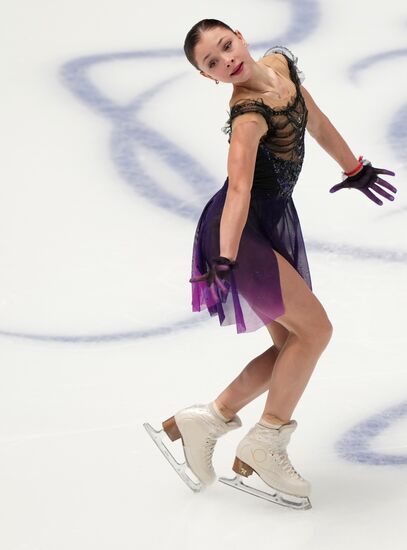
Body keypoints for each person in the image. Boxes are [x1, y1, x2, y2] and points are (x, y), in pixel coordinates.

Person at [143, 19, 397, 510]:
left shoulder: (280, 67)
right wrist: (226, 255)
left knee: (291, 347)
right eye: (212, 63)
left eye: (225, 45)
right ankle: (267, 440)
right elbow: (238, 189)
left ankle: (209, 419)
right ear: (208, 77)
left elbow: (315, 119)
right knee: (315, 331)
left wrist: (354, 167)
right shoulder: (248, 117)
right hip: (241, 236)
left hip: (272, 222)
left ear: (239, 35)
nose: (226, 60)